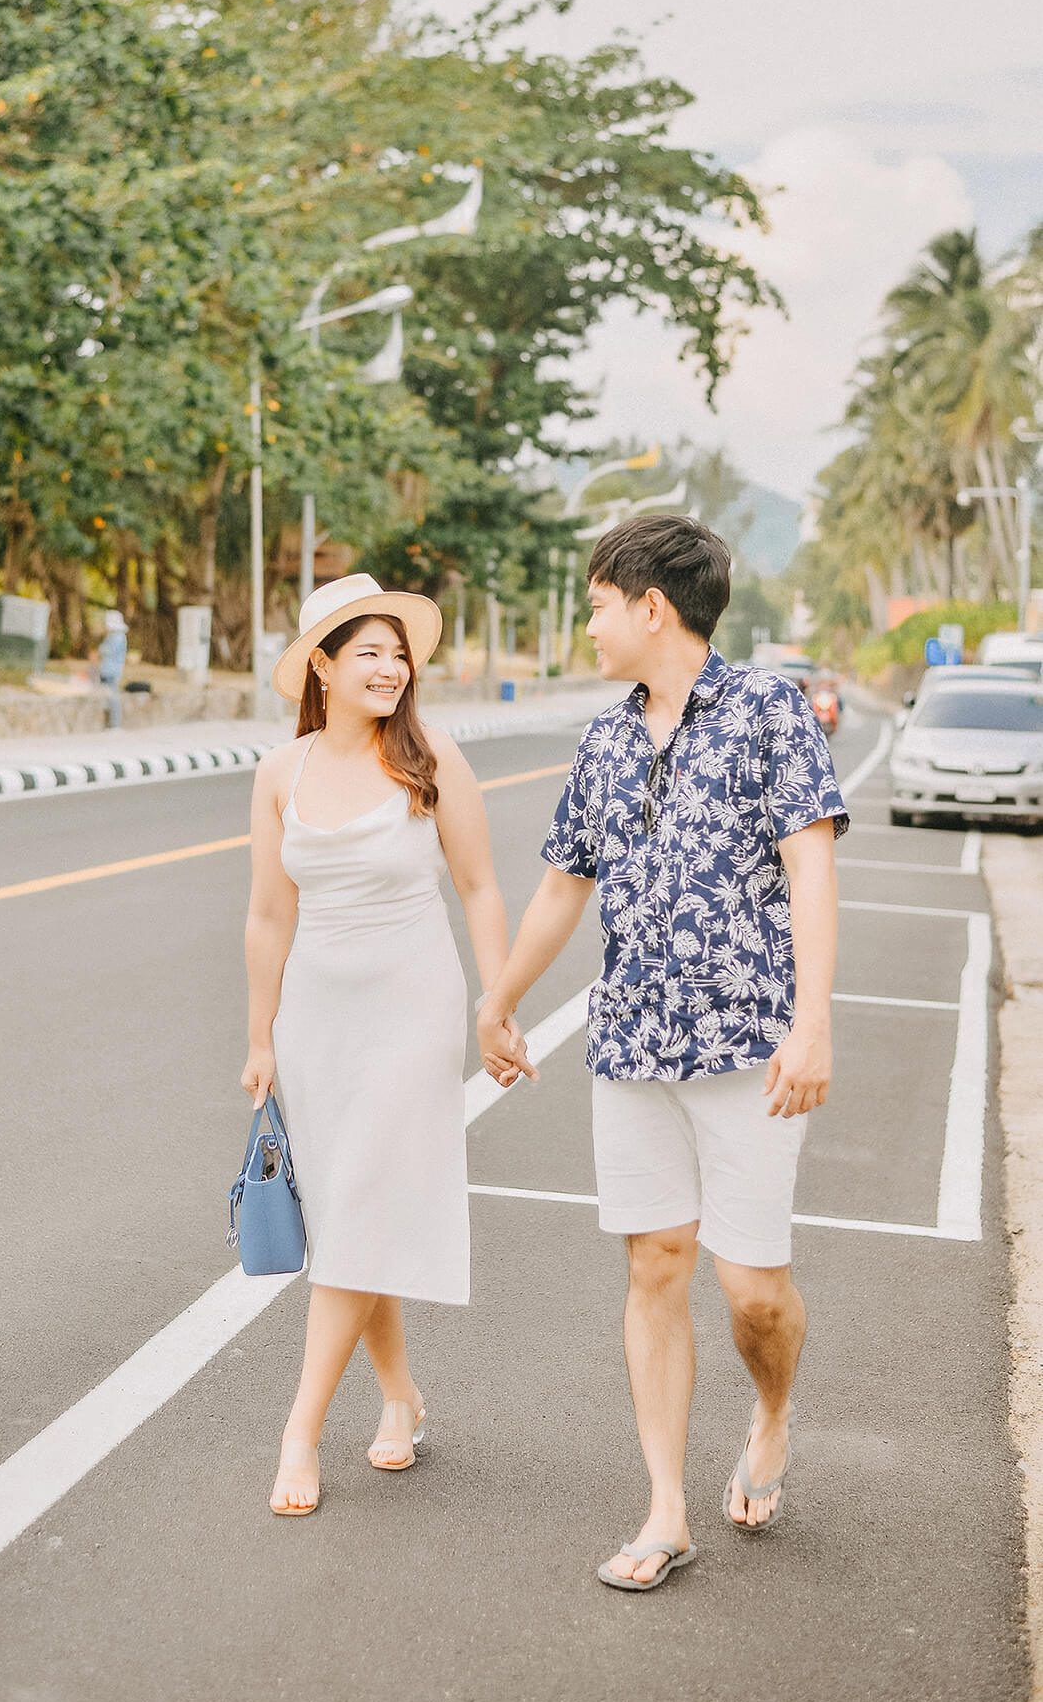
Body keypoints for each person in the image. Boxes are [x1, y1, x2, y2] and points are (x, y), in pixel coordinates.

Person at [477, 515, 847, 1592]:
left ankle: (772, 1410)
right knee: (654, 1265)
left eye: (595, 602)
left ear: (651, 605)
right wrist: (497, 999)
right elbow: (562, 881)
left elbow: (809, 865)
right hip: (632, 1041)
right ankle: (664, 1508)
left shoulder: (768, 710)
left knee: (752, 1292)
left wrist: (811, 1018)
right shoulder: (603, 737)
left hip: (749, 1044)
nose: (586, 622)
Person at [240, 573, 521, 1518]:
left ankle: (298, 1431)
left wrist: (498, 1004)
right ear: (322, 664)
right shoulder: (283, 774)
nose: (392, 667)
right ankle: (400, 1395)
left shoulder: (432, 758)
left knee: (361, 1203)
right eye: (370, 651)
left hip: (411, 1006)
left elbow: (480, 886)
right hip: (316, 1018)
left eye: (400, 653)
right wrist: (259, 1039)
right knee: (359, 1211)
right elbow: (268, 916)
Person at [96, 609, 127, 728]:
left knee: (113, 697)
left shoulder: (118, 637)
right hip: (105, 670)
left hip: (112, 671)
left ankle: (115, 723)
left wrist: (102, 649)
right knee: (106, 697)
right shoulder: (112, 636)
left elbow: (106, 650)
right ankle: (108, 722)